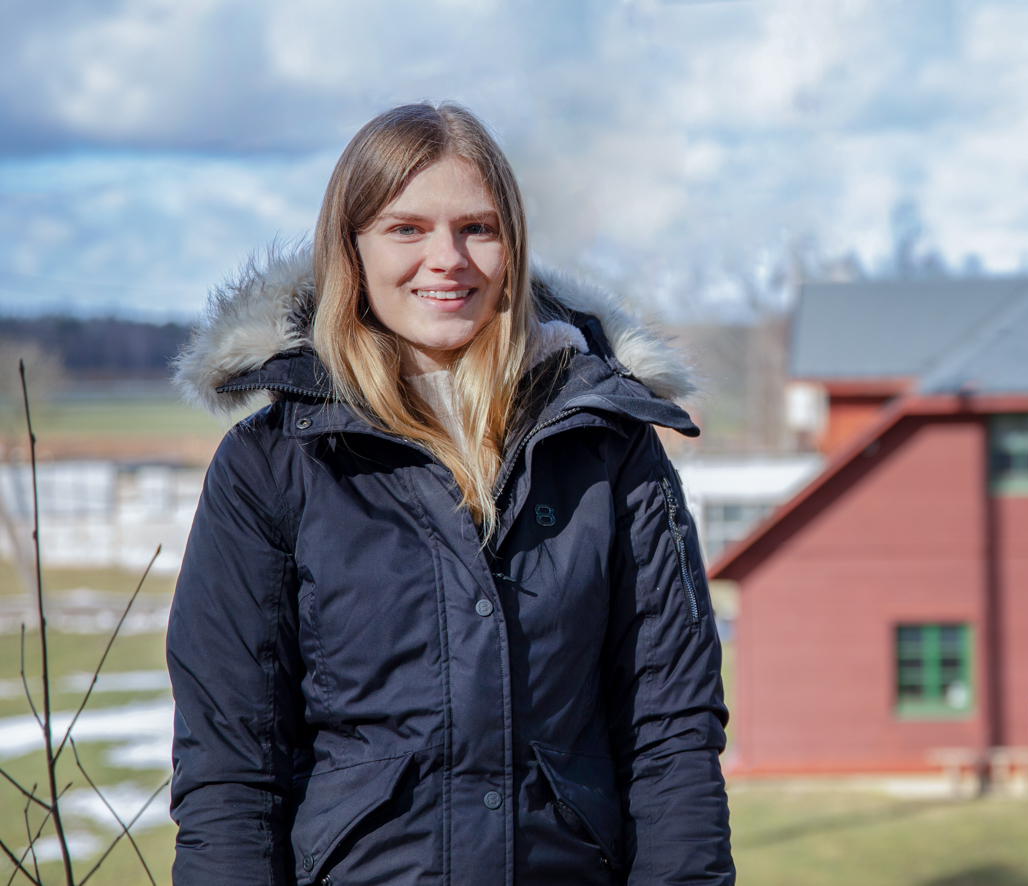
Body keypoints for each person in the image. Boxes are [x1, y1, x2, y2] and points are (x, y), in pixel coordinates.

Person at [167, 102, 733, 886]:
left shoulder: (609, 449)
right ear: (352, 251)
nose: (448, 258)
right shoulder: (271, 466)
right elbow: (230, 766)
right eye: (406, 229)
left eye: (478, 228)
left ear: (514, 249)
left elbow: (672, 734)